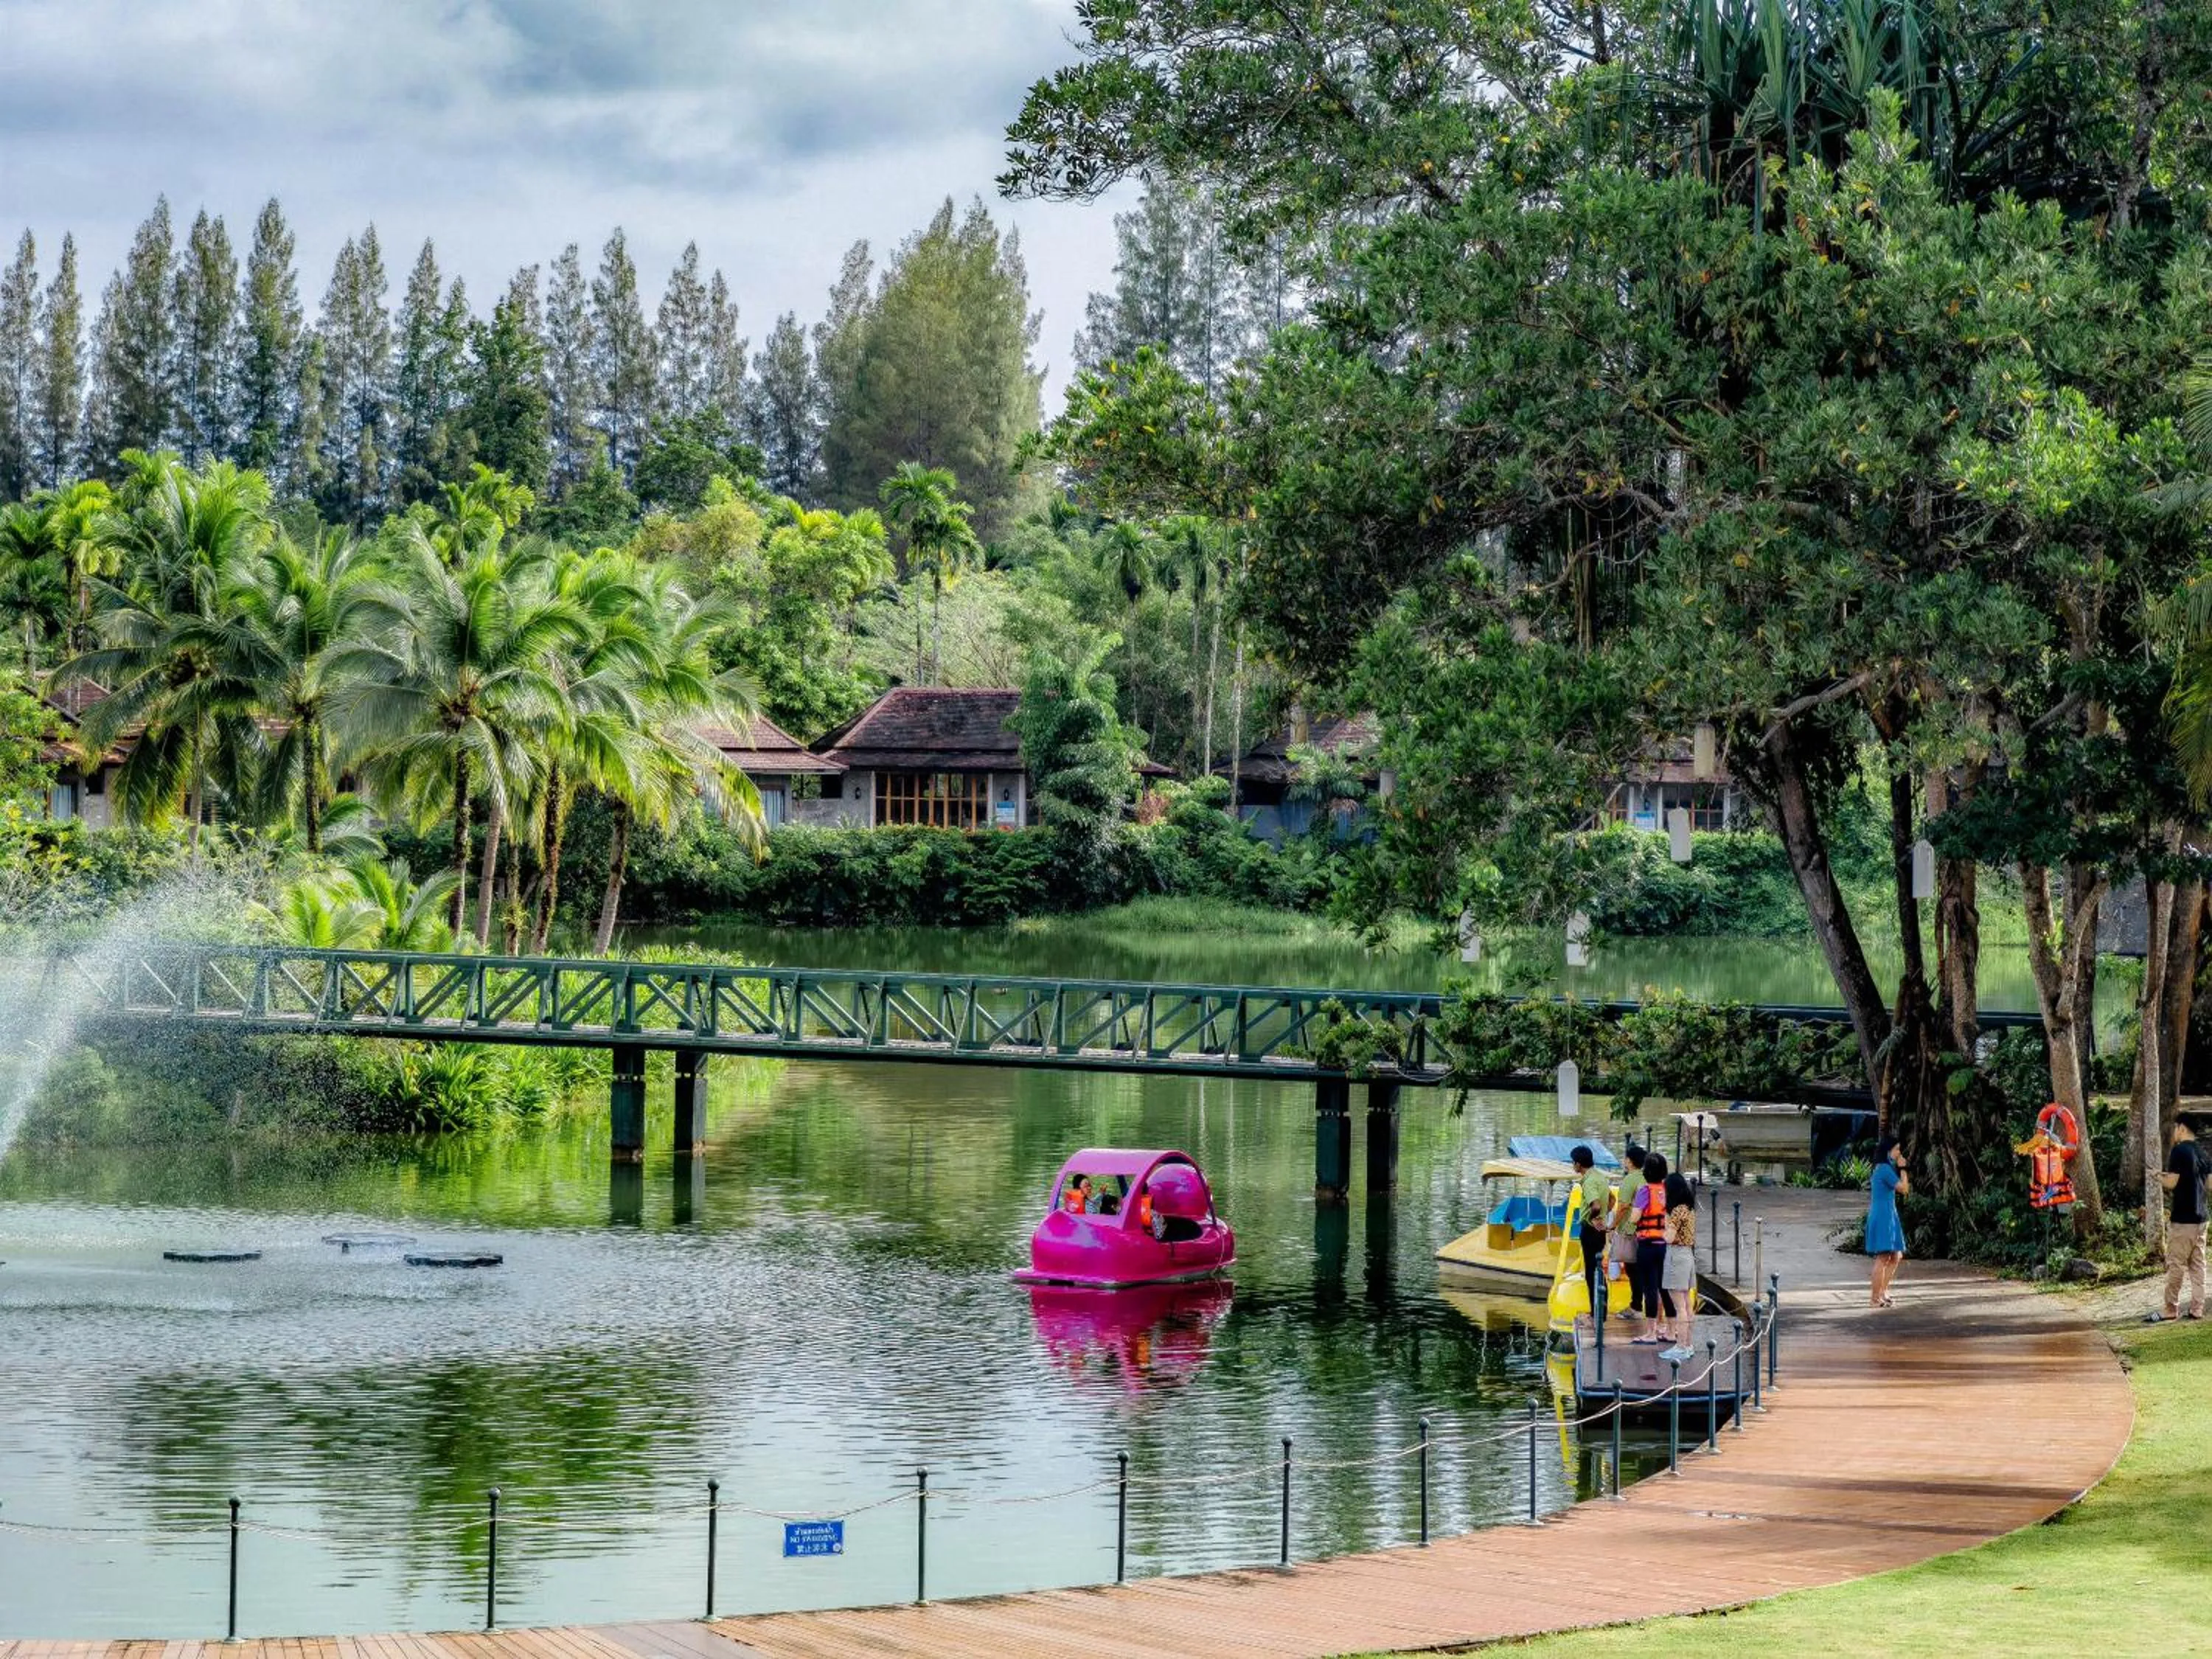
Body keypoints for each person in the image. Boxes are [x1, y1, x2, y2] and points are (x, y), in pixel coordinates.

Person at [2151, 1121, 2208, 1323]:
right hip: (2201, 1219)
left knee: (2175, 1264)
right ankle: (2197, 1309)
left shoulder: (2179, 1151)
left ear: (2182, 1128)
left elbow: (2172, 1183)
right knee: (2198, 1266)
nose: (2174, 1133)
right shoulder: (2202, 1152)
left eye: (2175, 1128)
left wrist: (2158, 1177)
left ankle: (2170, 1308)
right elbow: (2209, 1184)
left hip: (2183, 1219)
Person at [1628, 1152, 1670, 1343]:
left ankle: (1651, 1332)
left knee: (1649, 1288)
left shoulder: (1645, 1191)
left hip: (1647, 1244)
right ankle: (1666, 1327)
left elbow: (1635, 1217)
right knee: (1664, 1287)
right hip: (1664, 1244)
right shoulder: (1666, 1189)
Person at [1866, 1136, 1908, 1308]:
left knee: (1896, 1255)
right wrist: (1904, 1168)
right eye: (1897, 1149)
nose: (1899, 1153)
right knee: (1883, 1257)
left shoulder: (1885, 1168)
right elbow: (1904, 1189)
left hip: (1889, 1214)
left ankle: (1882, 1292)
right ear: (1888, 1151)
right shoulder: (1884, 1169)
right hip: (1883, 1215)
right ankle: (1874, 1299)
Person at [1570, 1144, 1610, 1318]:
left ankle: (1596, 1314)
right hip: (1599, 1231)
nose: (1573, 1166)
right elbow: (1613, 1199)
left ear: (1579, 1164)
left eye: (1574, 1163)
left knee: (1591, 1272)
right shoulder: (1601, 1177)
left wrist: (1594, 1218)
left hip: (1590, 1230)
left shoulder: (1588, 1181)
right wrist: (1603, 1217)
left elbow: (1596, 1205)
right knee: (1598, 1270)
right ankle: (1602, 1310)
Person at [1660, 1170, 1697, 1352]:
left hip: (1676, 1256)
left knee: (1679, 1305)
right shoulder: (1689, 1209)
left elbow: (1669, 1237)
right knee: (1687, 1302)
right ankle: (1688, 1343)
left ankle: (1681, 1345)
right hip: (1688, 1255)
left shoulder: (1676, 1211)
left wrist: (1665, 1220)